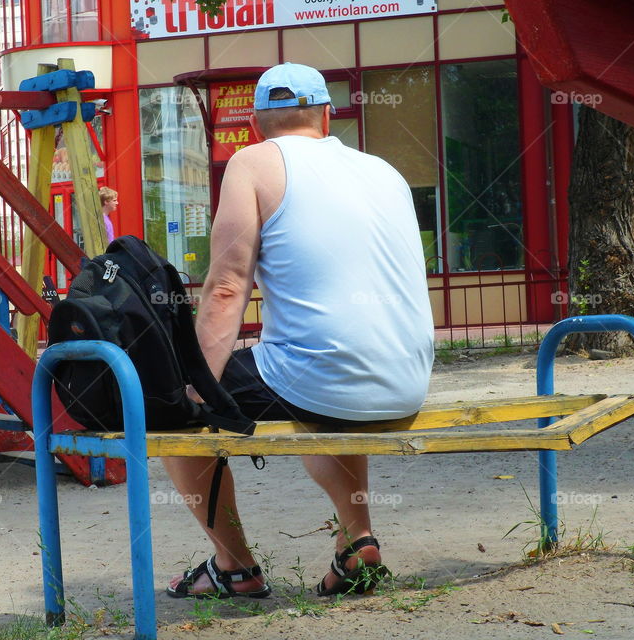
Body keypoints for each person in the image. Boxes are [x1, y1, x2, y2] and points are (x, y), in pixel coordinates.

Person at [163, 63, 434, 599]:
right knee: (315, 392)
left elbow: (225, 287)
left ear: (258, 123)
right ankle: (357, 542)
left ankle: (234, 568)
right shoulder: (383, 170)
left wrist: (194, 390)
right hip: (406, 380)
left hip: (323, 378)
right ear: (327, 115)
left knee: (178, 425)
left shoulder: (252, 163)